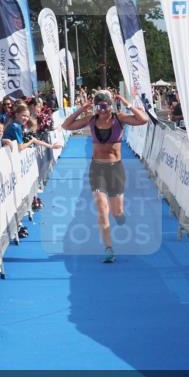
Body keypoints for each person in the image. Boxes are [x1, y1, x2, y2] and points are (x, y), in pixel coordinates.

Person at [60, 89, 149, 264]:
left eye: (105, 105)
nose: (102, 109)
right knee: (102, 210)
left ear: (110, 104)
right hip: (97, 169)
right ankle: (108, 248)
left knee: (117, 212)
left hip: (116, 169)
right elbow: (66, 126)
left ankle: (120, 215)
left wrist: (126, 103)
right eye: (99, 105)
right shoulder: (91, 120)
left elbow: (143, 120)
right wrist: (81, 109)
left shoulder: (119, 118)